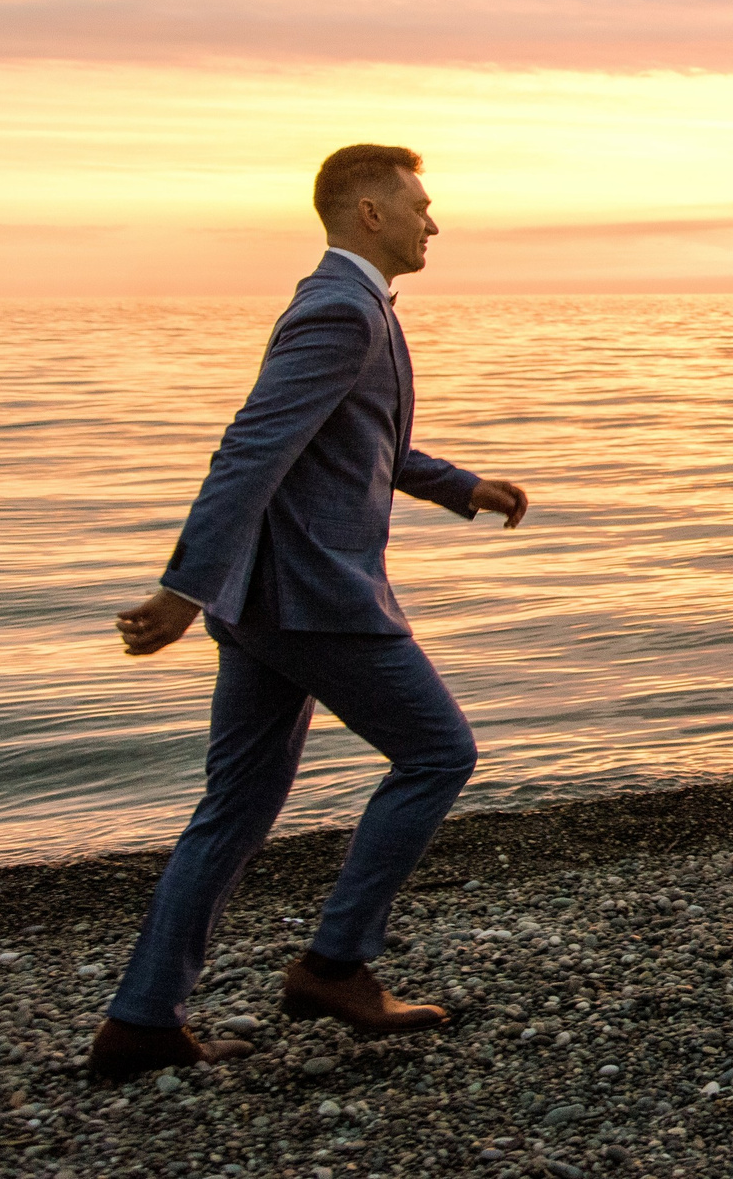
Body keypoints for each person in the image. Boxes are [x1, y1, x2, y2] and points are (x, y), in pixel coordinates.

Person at [89, 145, 531, 1081]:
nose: (433, 221)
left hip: (267, 601)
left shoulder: (350, 302)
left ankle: (141, 1022)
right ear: (370, 212)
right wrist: (181, 588)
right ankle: (334, 966)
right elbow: (251, 449)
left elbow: (359, 442)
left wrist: (462, 486)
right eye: (420, 204)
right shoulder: (340, 307)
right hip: (312, 600)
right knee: (438, 752)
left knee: (237, 804)